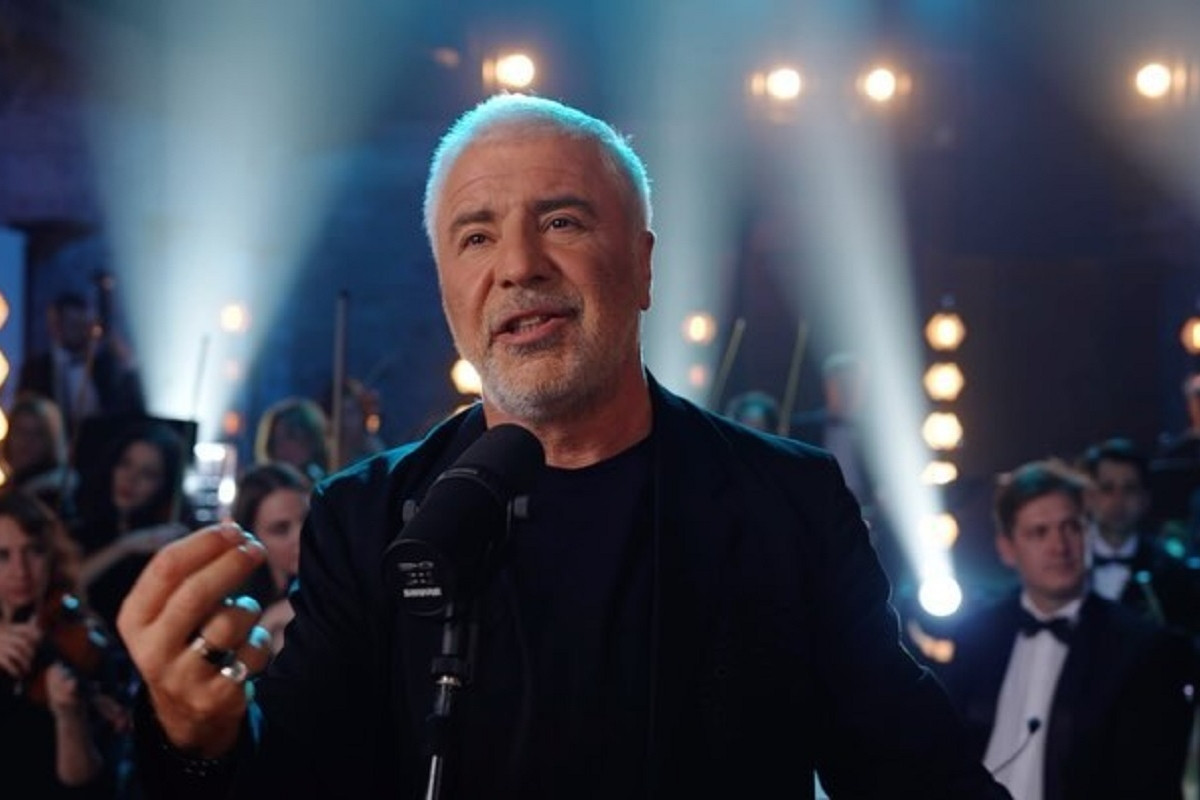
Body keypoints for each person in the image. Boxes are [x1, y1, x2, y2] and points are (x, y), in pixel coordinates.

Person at [119, 94, 1007, 798]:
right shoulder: (367, 517)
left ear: (644, 265)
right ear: (447, 289)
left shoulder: (786, 502)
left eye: (563, 222)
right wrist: (193, 737)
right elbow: (297, 780)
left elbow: (914, 772)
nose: (518, 266)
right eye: (476, 236)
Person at [934, 459, 1195, 800]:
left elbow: (1149, 781)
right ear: (1007, 548)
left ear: (1089, 533)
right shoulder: (976, 633)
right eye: (1039, 532)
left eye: (1071, 527)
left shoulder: (1142, 648)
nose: (1059, 547)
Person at [0, 488, 126, 798]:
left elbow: (82, 782)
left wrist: (70, 716)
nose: (20, 571)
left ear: (52, 556)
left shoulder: (83, 637)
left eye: (34, 551)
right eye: (2, 556)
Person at [1080, 438, 1200, 635]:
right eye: (1107, 488)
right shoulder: (1065, 563)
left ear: (1145, 499)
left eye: (1129, 489)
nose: (1118, 501)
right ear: (1089, 498)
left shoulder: (1172, 574)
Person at [76, 422, 190, 629]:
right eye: (125, 464)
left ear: (165, 485)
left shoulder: (169, 542)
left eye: (147, 474)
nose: (130, 479)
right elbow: (66, 584)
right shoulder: (84, 525)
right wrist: (124, 546)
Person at [16, 289, 145, 436]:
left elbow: (127, 409)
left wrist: (128, 361)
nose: (84, 332)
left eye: (85, 325)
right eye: (74, 325)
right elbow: (26, 415)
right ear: (55, 327)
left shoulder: (104, 365)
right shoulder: (36, 369)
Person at [229, 463, 310, 654]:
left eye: (308, 519)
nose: (302, 536)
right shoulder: (236, 607)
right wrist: (268, 623)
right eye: (280, 529)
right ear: (252, 538)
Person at [0, 393, 80, 518]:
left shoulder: (56, 492)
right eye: (20, 431)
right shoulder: (11, 486)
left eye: (37, 434)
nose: (26, 441)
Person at [252, 397, 331, 484]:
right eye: (275, 440)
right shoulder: (262, 485)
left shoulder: (325, 484)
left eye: (291, 436)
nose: (282, 446)